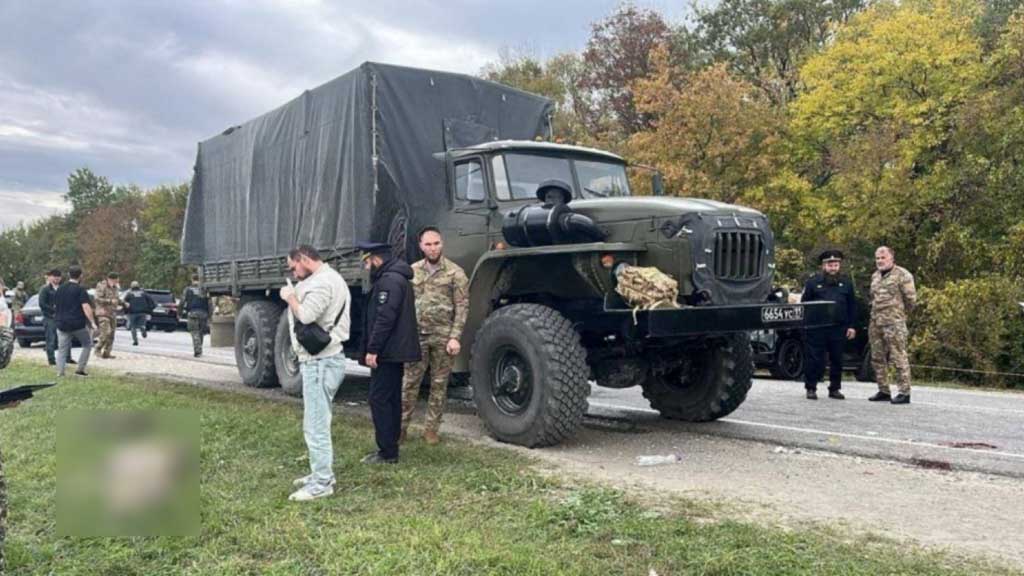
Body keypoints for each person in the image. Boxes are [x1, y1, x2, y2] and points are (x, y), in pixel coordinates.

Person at [278, 245, 351, 501]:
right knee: (316, 421)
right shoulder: (326, 278)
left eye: (294, 266)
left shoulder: (323, 282)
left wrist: (290, 297)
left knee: (316, 425)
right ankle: (319, 473)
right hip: (321, 360)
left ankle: (322, 482)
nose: (293, 271)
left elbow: (307, 316)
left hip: (320, 361)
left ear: (305, 259)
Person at [400, 227, 469, 444]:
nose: (433, 248)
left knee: (439, 385)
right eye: (428, 244)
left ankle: (431, 429)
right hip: (417, 336)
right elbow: (404, 304)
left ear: (442, 243)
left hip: (443, 337)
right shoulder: (412, 271)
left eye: (436, 243)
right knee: (410, 383)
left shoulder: (455, 273)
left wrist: (455, 336)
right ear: (421, 246)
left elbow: (462, 306)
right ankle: (401, 428)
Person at [357, 241, 420, 464]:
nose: (366, 268)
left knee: (380, 399)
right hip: (394, 350)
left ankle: (387, 451)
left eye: (366, 262)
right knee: (391, 398)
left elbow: (384, 318)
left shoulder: (389, 281)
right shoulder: (396, 277)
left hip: (388, 351)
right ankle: (391, 446)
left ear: (375, 259)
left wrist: (373, 349)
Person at [801, 250, 857, 400]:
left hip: (838, 327)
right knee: (815, 359)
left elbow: (852, 306)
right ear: (823, 266)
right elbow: (805, 304)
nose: (833, 268)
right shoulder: (813, 283)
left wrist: (851, 326)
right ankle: (811, 387)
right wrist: (805, 324)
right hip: (817, 328)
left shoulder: (846, 283)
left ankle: (835, 388)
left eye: (836, 264)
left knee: (837, 359)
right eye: (830, 264)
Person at [868, 246, 917, 404]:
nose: (880, 261)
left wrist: (899, 315)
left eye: (883, 258)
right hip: (876, 322)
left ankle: (904, 392)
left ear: (892, 258)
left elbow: (911, 300)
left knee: (898, 356)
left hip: (894, 323)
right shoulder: (875, 276)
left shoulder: (902, 275)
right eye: (877, 258)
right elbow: (873, 298)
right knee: (877, 357)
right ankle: (883, 389)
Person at [56, 265, 97, 377]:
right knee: (87, 344)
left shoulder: (60, 289)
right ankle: (80, 369)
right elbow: (86, 307)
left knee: (62, 349)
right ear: (81, 276)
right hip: (77, 324)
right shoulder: (80, 290)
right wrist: (92, 322)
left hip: (61, 324)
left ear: (69, 275)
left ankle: (60, 372)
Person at [39, 269, 73, 366]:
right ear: (50, 277)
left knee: (66, 338)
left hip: (63, 317)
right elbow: (42, 304)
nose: (56, 279)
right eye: (54, 277)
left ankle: (68, 358)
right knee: (51, 339)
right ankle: (51, 360)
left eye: (58, 277)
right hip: (50, 317)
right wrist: (53, 311)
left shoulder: (63, 288)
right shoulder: (45, 289)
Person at [181, 274, 209, 357]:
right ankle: (199, 348)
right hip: (204, 313)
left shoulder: (187, 290)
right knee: (201, 332)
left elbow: (182, 302)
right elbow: (210, 303)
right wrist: (210, 315)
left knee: (194, 332)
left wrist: (179, 313)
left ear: (192, 280)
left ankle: (198, 350)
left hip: (192, 313)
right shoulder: (205, 290)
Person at [94, 273, 121, 359]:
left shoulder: (115, 287)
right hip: (103, 312)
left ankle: (107, 352)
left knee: (112, 334)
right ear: (111, 279)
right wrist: (109, 301)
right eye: (116, 279)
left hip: (112, 312)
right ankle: (98, 349)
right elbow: (97, 299)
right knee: (106, 332)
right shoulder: (102, 286)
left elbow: (116, 299)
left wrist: (123, 303)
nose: (117, 281)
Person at [122, 281, 155, 346]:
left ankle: (135, 341)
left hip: (132, 313)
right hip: (142, 312)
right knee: (142, 324)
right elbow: (151, 302)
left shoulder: (129, 294)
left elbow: (124, 303)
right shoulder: (144, 293)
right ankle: (143, 328)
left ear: (131, 286)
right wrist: (149, 310)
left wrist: (125, 312)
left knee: (133, 327)